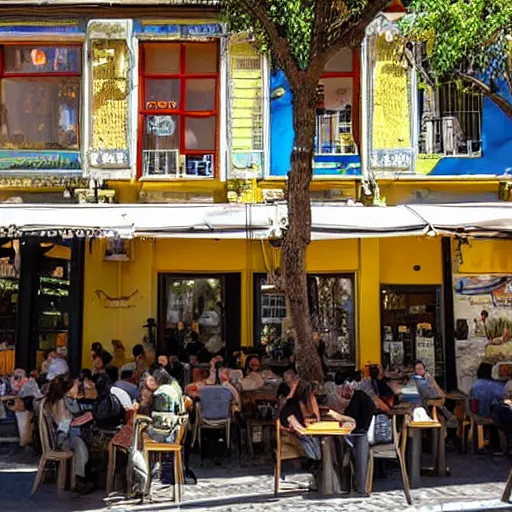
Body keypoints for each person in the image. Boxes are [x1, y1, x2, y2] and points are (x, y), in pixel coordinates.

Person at [44, 375, 92, 493]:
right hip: (63, 440)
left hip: (65, 438)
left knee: (82, 443)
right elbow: (65, 422)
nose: (78, 388)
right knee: (80, 444)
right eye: (76, 386)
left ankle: (81, 477)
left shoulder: (65, 400)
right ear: (68, 389)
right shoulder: (62, 402)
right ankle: (79, 479)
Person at [339, 376, 375, 496]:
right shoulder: (360, 397)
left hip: (361, 433)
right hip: (360, 431)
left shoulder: (359, 398)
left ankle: (350, 484)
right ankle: (356, 485)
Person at [277, 382, 321, 478]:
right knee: (309, 438)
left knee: (312, 438)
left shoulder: (295, 404)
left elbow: (305, 417)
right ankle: (315, 460)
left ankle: (315, 460)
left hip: (297, 429)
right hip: (293, 432)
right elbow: (293, 423)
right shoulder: (289, 406)